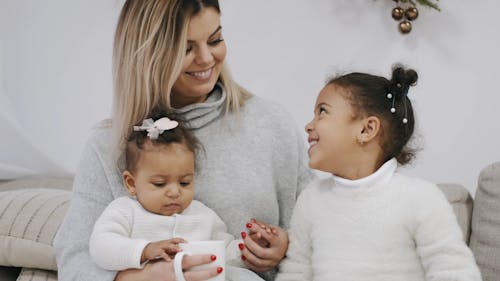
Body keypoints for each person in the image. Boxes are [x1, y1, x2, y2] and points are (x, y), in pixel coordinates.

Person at [53, 1, 315, 281]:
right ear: (149, 54)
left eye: (215, 40)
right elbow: (75, 259)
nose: (205, 58)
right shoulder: (108, 145)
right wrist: (152, 275)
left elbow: (319, 227)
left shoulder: (271, 123)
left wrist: (285, 246)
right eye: (186, 48)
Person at [276, 66, 482, 281]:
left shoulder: (420, 198)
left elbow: (454, 271)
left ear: (366, 130)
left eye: (322, 111)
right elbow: (296, 272)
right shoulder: (312, 200)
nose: (309, 125)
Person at [88, 109, 262, 281]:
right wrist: (145, 250)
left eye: (184, 182)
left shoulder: (203, 215)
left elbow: (223, 251)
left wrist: (247, 248)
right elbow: (101, 246)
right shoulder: (125, 211)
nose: (174, 192)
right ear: (131, 184)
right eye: (160, 184)